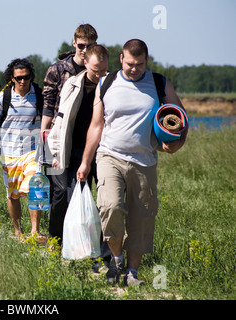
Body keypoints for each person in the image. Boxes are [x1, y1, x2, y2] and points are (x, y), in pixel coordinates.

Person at [77, 39, 188, 286]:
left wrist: (176, 144)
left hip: (144, 161)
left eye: (139, 64)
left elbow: (181, 118)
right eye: (129, 63)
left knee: (142, 216)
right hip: (110, 156)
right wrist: (85, 162)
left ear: (146, 61)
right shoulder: (107, 82)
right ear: (121, 58)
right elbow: (96, 126)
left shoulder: (159, 83)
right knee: (110, 207)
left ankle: (132, 272)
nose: (134, 69)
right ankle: (116, 260)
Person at [47, 44, 111, 264]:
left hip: (104, 152)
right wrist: (55, 152)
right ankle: (64, 244)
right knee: (68, 196)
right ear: (85, 63)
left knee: (106, 201)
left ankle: (102, 255)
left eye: (104, 70)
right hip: (74, 150)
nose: (100, 75)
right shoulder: (72, 84)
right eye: (95, 70)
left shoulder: (112, 85)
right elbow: (61, 120)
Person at [40, 24, 98, 242]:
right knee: (59, 193)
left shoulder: (98, 71)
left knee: (79, 192)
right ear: (74, 43)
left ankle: (76, 242)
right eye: (81, 45)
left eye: (89, 46)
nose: (84, 50)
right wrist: (43, 140)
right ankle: (55, 238)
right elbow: (48, 105)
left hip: (84, 142)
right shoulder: (57, 70)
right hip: (58, 140)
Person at [0, 58, 46, 241]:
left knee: (35, 185)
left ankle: (35, 231)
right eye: (18, 78)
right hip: (9, 154)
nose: (22, 81)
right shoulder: (4, 96)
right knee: (13, 195)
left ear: (31, 76)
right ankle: (18, 231)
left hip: (32, 152)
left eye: (26, 77)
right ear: (12, 78)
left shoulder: (39, 95)